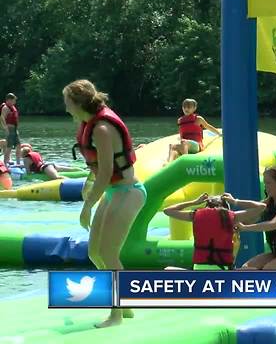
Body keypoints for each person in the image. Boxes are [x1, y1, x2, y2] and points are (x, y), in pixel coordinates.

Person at [63, 79, 146, 328]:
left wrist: (88, 204)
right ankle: (126, 304)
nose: (66, 107)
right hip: (114, 192)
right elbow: (97, 170)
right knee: (94, 252)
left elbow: (107, 170)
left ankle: (116, 315)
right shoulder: (90, 124)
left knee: (109, 253)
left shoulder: (101, 129)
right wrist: (91, 191)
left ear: (78, 103)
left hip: (129, 191)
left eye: (67, 102)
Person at [163, 193, 265, 270]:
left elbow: (167, 210)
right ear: (225, 207)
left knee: (168, 269)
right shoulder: (232, 217)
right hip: (222, 269)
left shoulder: (195, 216)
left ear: (207, 206)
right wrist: (235, 201)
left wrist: (194, 202)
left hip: (199, 268)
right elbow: (261, 207)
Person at [166, 98, 222, 164]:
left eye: (189, 107)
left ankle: (185, 162)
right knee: (172, 146)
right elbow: (181, 134)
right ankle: (169, 164)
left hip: (196, 145)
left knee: (184, 142)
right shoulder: (180, 120)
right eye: (184, 107)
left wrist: (219, 133)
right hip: (185, 145)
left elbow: (208, 126)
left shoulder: (198, 119)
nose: (186, 109)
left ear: (194, 108)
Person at [1, 93, 21, 165]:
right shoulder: (5, 108)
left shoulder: (13, 107)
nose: (14, 102)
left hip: (15, 130)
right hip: (10, 129)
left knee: (19, 146)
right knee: (9, 147)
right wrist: (5, 128)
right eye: (13, 100)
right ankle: (5, 164)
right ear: (9, 100)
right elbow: (2, 118)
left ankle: (18, 163)